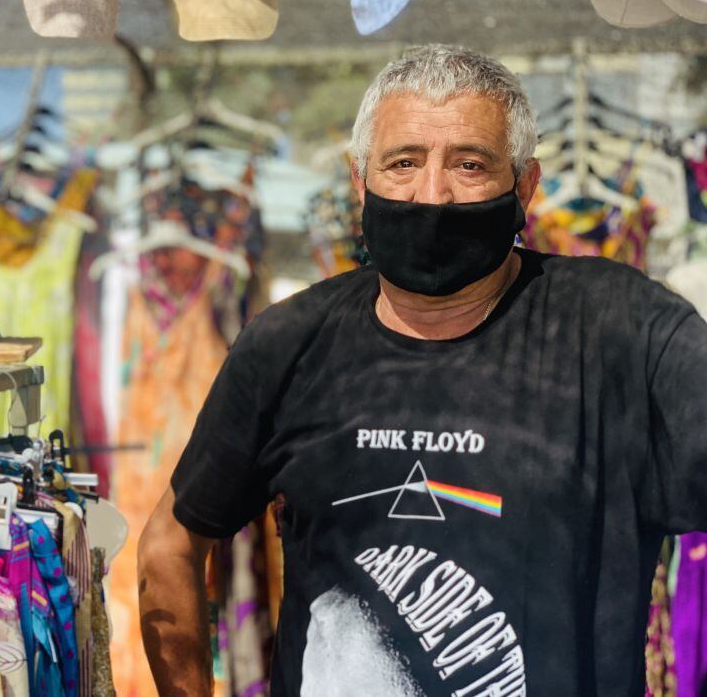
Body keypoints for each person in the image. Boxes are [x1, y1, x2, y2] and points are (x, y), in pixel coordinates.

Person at [137, 44, 707, 696]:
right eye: (403, 162)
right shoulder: (290, 343)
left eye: (470, 164)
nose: (432, 195)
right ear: (361, 181)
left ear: (525, 185)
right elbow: (171, 544)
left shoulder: (625, 333)